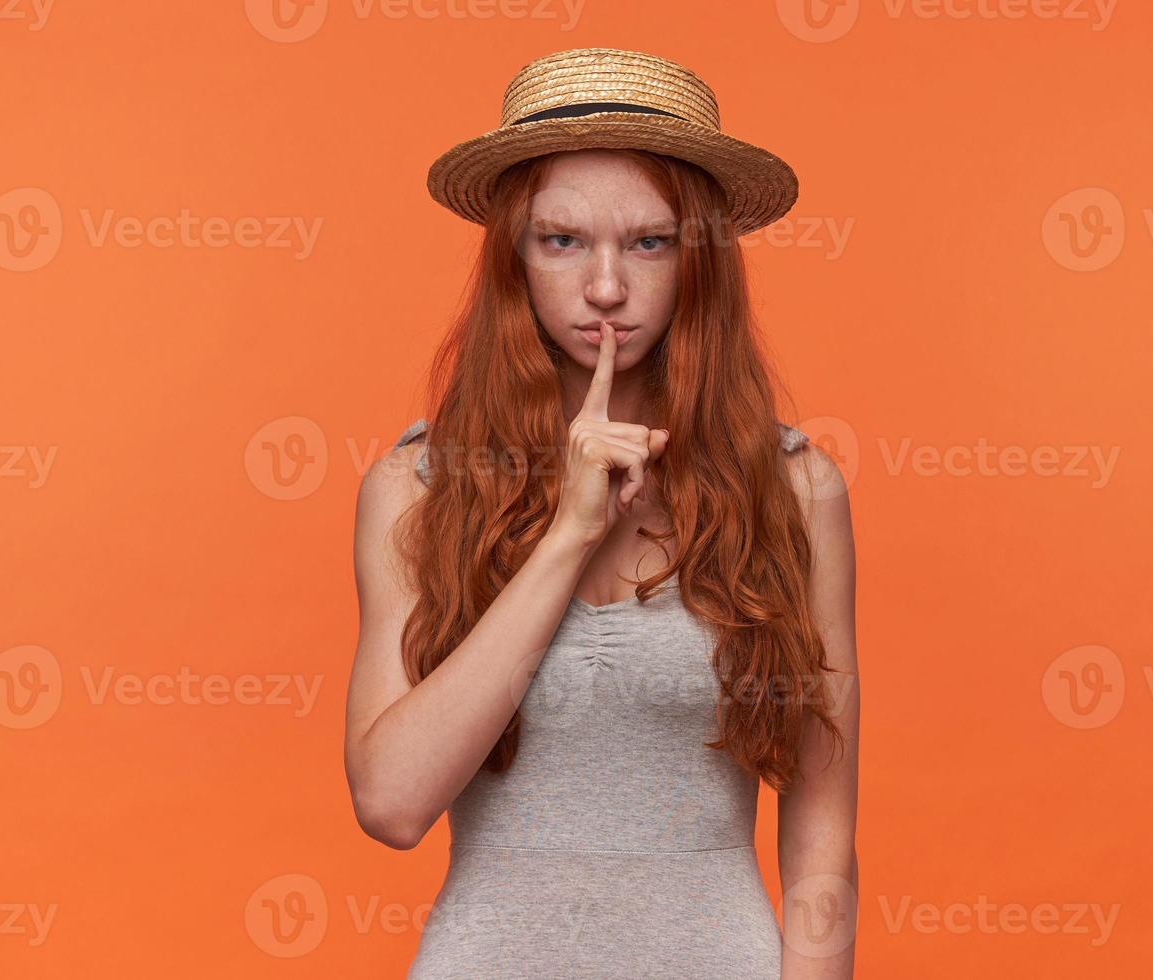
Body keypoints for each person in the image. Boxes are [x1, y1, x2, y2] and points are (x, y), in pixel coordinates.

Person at [343, 47, 859, 978]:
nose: (608, 287)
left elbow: (821, 832)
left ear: (700, 259)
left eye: (650, 241)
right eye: (563, 240)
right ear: (515, 254)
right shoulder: (416, 486)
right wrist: (569, 534)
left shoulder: (795, 490)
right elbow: (392, 804)